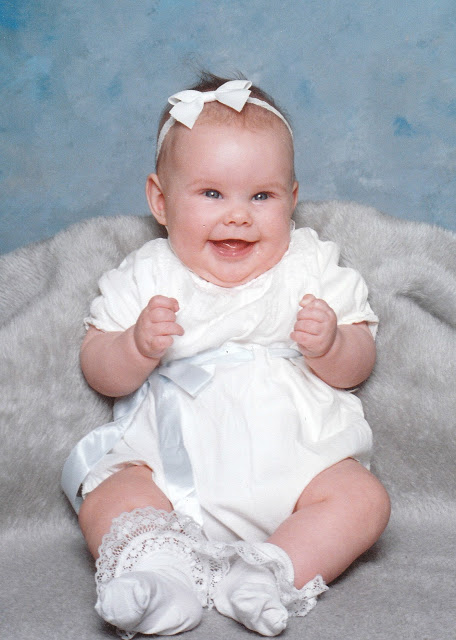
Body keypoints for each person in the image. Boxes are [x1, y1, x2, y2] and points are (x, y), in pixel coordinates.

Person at [61, 73, 391, 639]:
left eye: (261, 196)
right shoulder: (148, 272)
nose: (237, 214)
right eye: (211, 194)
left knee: (363, 499)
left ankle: (267, 574)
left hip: (295, 463)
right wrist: (134, 345)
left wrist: (334, 344)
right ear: (161, 201)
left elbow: (359, 363)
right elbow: (100, 369)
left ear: (291, 199)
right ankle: (161, 575)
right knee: (111, 491)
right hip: (170, 462)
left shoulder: (311, 264)